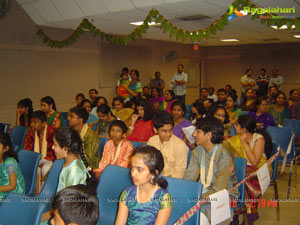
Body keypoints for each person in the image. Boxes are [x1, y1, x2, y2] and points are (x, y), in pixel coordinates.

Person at [184, 117, 239, 224]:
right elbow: (189, 178)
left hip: (224, 196)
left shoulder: (224, 156)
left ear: (209, 135)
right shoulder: (197, 151)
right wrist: (184, 195)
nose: (194, 135)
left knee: (196, 214)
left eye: (198, 131)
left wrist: (195, 200)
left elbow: (219, 189)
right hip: (203, 193)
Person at [223, 115, 273, 224]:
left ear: (244, 129)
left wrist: (244, 144)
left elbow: (255, 161)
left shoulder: (258, 138)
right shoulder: (236, 139)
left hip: (259, 168)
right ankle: (236, 212)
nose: (234, 127)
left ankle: (251, 212)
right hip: (243, 167)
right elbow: (236, 157)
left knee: (245, 179)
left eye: (236, 125)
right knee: (230, 178)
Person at [40, 127, 90, 224]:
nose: (52, 147)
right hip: (61, 208)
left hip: (68, 214)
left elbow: (68, 203)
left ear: (66, 148)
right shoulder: (68, 163)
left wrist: (46, 216)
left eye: (55, 145)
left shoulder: (74, 170)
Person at [115, 146, 173, 225]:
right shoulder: (127, 194)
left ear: (154, 173)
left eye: (139, 169)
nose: (133, 173)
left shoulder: (163, 198)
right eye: (132, 168)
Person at [147, 111, 188, 178]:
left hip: (171, 182)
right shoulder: (152, 141)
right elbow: (148, 164)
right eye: (164, 131)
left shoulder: (180, 146)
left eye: (171, 130)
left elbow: (179, 174)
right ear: (155, 130)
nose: (168, 134)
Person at [24, 110, 56, 190]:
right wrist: (35, 160)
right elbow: (28, 149)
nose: (32, 125)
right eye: (31, 122)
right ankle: (32, 192)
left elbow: (54, 151)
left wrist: (43, 160)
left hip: (50, 159)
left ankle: (45, 193)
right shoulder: (31, 133)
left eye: (35, 122)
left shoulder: (52, 132)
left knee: (45, 169)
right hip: (36, 159)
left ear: (44, 124)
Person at [0, 133, 25, 201]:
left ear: (5, 149)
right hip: (3, 187)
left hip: (14, 193)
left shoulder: (10, 162)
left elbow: (13, 186)